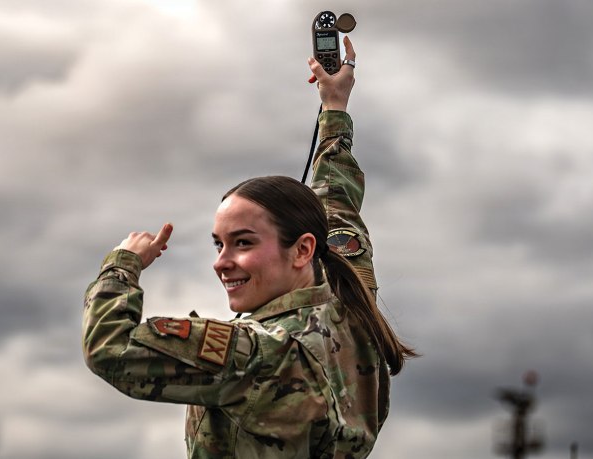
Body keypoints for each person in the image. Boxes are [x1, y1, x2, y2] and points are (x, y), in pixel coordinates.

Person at [82, 37, 416, 459]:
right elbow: (336, 199)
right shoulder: (348, 297)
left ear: (302, 250)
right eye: (219, 244)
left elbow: (110, 348)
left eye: (243, 243)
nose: (221, 263)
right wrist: (334, 106)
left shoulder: (259, 354)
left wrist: (122, 265)